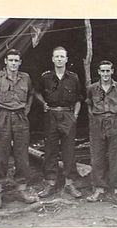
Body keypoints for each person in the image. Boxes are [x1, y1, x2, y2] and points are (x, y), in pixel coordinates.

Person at [0, 49, 38, 208]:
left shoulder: (26, 78)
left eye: (16, 60)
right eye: (11, 60)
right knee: (0, 154)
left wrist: (27, 110)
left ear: (20, 62)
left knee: (22, 155)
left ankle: (22, 190)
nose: (14, 63)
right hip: (2, 116)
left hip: (20, 117)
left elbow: (31, 94)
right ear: (5, 61)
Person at [35, 46, 82, 199]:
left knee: (69, 151)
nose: (60, 59)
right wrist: (43, 103)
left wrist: (74, 115)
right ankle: (51, 182)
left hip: (68, 114)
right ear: (53, 59)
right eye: (57, 56)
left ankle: (70, 183)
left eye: (62, 56)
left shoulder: (73, 77)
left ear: (66, 59)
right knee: (50, 150)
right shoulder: (46, 77)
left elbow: (79, 99)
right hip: (51, 116)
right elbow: (36, 92)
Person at [85, 60, 117, 206]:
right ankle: (99, 188)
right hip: (97, 123)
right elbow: (89, 105)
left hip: (114, 121)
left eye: (107, 71)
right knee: (97, 157)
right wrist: (94, 120)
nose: (105, 74)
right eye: (102, 71)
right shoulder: (92, 88)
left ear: (112, 71)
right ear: (98, 72)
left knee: (116, 157)